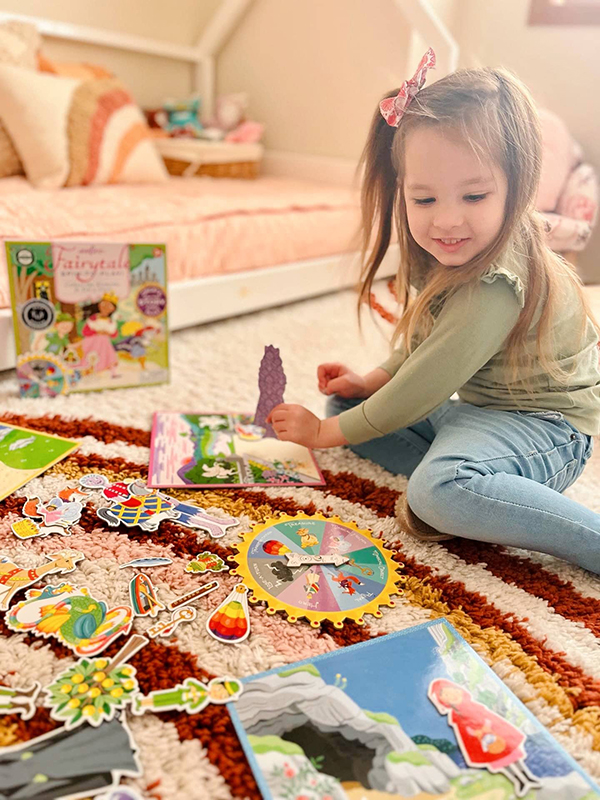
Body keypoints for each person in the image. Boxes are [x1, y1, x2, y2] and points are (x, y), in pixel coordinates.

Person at [267, 50, 600, 574]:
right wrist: (371, 380)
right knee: (347, 408)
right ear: (402, 191)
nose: (447, 220)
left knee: (435, 487)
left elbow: (428, 379)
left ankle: (503, 506)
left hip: (547, 433)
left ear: (518, 185)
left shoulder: (496, 283)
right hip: (480, 414)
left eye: (474, 195)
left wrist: (321, 439)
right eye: (424, 200)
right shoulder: (441, 250)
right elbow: (420, 340)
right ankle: (472, 489)